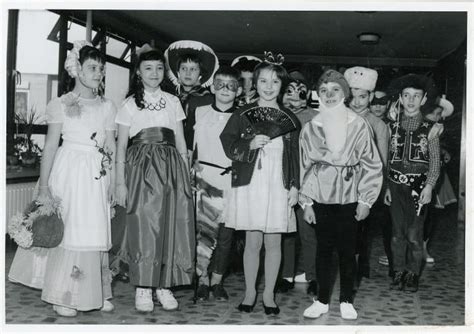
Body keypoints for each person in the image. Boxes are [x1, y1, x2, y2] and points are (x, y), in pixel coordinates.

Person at [9, 41, 117, 317]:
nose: (98, 73)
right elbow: (50, 146)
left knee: (94, 231)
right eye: (92, 67)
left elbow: (111, 148)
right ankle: (64, 294)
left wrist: (114, 181)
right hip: (68, 173)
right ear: (76, 69)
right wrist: (44, 187)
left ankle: (97, 290)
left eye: (101, 69)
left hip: (96, 174)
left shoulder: (107, 107)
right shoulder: (59, 104)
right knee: (71, 230)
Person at [115, 44, 195, 313]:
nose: (154, 73)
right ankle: (144, 287)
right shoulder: (128, 105)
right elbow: (120, 148)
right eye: (148, 68)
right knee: (145, 224)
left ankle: (164, 285)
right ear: (138, 72)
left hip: (171, 168)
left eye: (159, 68)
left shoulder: (173, 102)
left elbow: (181, 141)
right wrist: (119, 182)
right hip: (141, 169)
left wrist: (186, 173)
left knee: (171, 223)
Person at [220, 52, 301, 315]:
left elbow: (295, 156)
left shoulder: (290, 119)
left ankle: (269, 294)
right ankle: (250, 291)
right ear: (254, 84)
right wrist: (249, 144)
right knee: (253, 241)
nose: (268, 87)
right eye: (263, 81)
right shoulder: (243, 113)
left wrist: (294, 186)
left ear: (282, 86)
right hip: (251, 183)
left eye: (275, 82)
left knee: (274, 242)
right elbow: (228, 142)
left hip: (277, 183)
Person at [300, 70, 383, 320]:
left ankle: (346, 299)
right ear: (318, 94)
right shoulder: (310, 128)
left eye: (335, 90)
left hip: (350, 196)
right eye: (324, 91)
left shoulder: (358, 124)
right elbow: (305, 166)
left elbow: (371, 163)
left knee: (348, 250)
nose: (329, 95)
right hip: (321, 197)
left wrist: (366, 199)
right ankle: (322, 299)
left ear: (344, 94)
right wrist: (306, 202)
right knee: (323, 250)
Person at [384, 74, 441, 293]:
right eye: (406, 95)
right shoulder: (392, 127)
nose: (410, 100)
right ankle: (398, 270)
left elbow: (435, 162)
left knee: (414, 235)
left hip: (419, 189)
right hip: (396, 186)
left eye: (416, 96)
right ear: (400, 97)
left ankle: (413, 273)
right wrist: (387, 187)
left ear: (424, 99)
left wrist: (429, 186)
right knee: (397, 234)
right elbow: (387, 159)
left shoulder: (432, 128)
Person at [191, 66, 242, 301]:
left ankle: (217, 282)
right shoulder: (199, 111)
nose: (224, 89)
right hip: (203, 180)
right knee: (203, 234)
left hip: (231, 182)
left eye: (230, 86)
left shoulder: (242, 116)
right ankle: (201, 279)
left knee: (225, 236)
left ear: (238, 90)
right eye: (219, 84)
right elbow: (190, 147)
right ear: (212, 86)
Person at [344, 66, 389, 282]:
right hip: (339, 185)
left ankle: (358, 269)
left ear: (370, 96)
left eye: (363, 97)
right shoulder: (338, 118)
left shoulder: (378, 124)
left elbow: (381, 161)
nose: (357, 102)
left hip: (364, 185)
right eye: (353, 96)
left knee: (360, 230)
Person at [275, 70, 319, 296]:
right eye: (289, 92)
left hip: (307, 183)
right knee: (285, 231)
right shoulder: (274, 114)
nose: (294, 97)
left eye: (299, 92)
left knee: (308, 231)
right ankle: (286, 275)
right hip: (280, 181)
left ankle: (312, 276)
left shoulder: (315, 117)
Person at [422, 96, 457, 264]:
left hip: (435, 178)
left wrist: (444, 152)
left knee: (431, 214)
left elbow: (445, 149)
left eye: (438, 114)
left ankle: (423, 247)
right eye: (432, 113)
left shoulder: (440, 131)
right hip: (416, 177)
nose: (435, 117)